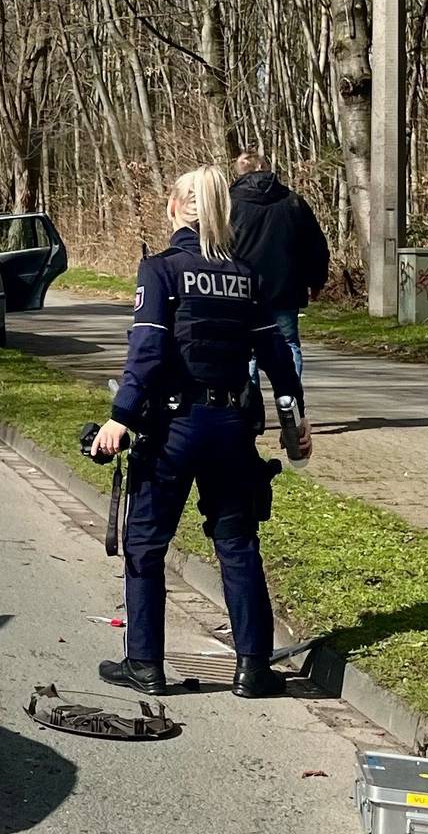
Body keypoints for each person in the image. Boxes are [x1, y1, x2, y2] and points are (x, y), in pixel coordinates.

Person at [88, 164, 308, 698]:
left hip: (174, 428)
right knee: (237, 542)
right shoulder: (244, 275)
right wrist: (294, 418)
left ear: (173, 206)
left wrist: (120, 416)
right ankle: (253, 668)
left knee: (146, 544)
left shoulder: (161, 270)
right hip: (231, 429)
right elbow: (277, 355)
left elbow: (147, 351)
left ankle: (145, 664)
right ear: (222, 211)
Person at [229, 151, 328, 387]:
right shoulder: (292, 201)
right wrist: (316, 280)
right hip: (286, 288)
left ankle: (250, 404)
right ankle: (291, 399)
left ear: (239, 173)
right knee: (289, 343)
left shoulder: (228, 204)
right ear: (265, 168)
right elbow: (315, 245)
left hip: (242, 289)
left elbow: (216, 247)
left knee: (246, 350)